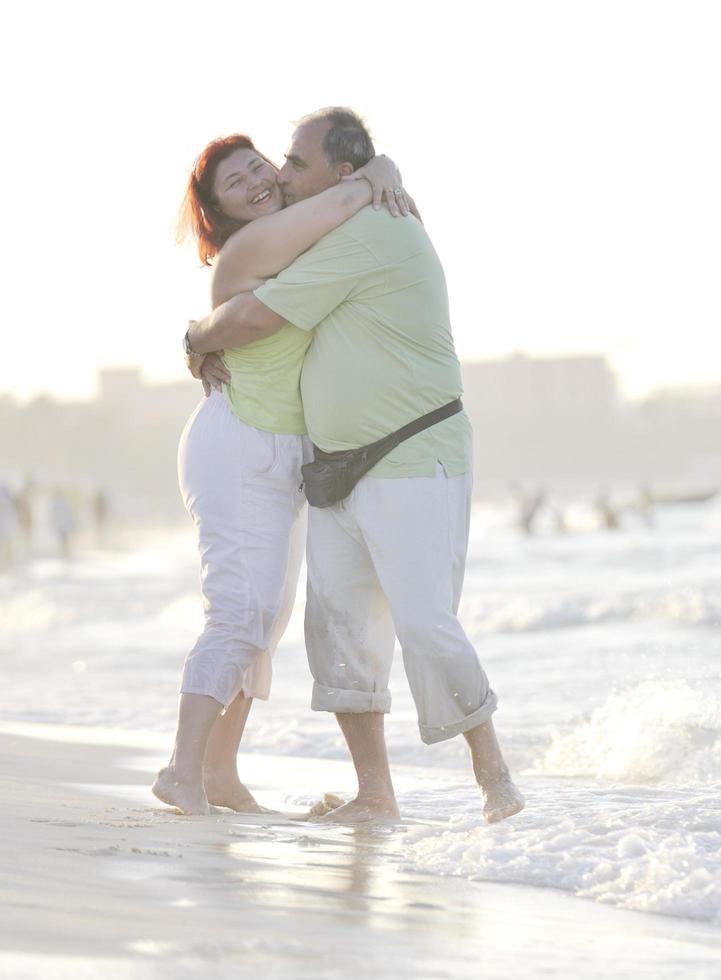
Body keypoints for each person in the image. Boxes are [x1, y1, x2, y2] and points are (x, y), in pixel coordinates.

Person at [187, 107, 525, 825]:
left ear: (342, 176)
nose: (280, 174)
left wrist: (194, 335)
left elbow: (251, 320)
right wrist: (381, 169)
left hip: (410, 452)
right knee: (337, 632)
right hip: (337, 467)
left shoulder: (370, 230)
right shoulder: (324, 232)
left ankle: (495, 780)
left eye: (294, 162)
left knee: (425, 623)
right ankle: (375, 796)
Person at [153, 127, 410, 816]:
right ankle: (182, 771)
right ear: (222, 214)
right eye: (235, 184)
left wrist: (375, 169)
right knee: (239, 612)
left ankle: (219, 775)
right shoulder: (250, 248)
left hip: (279, 452)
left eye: (258, 167)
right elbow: (262, 313)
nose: (257, 182)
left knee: (262, 619)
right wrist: (376, 170)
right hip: (236, 446)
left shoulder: (298, 237)